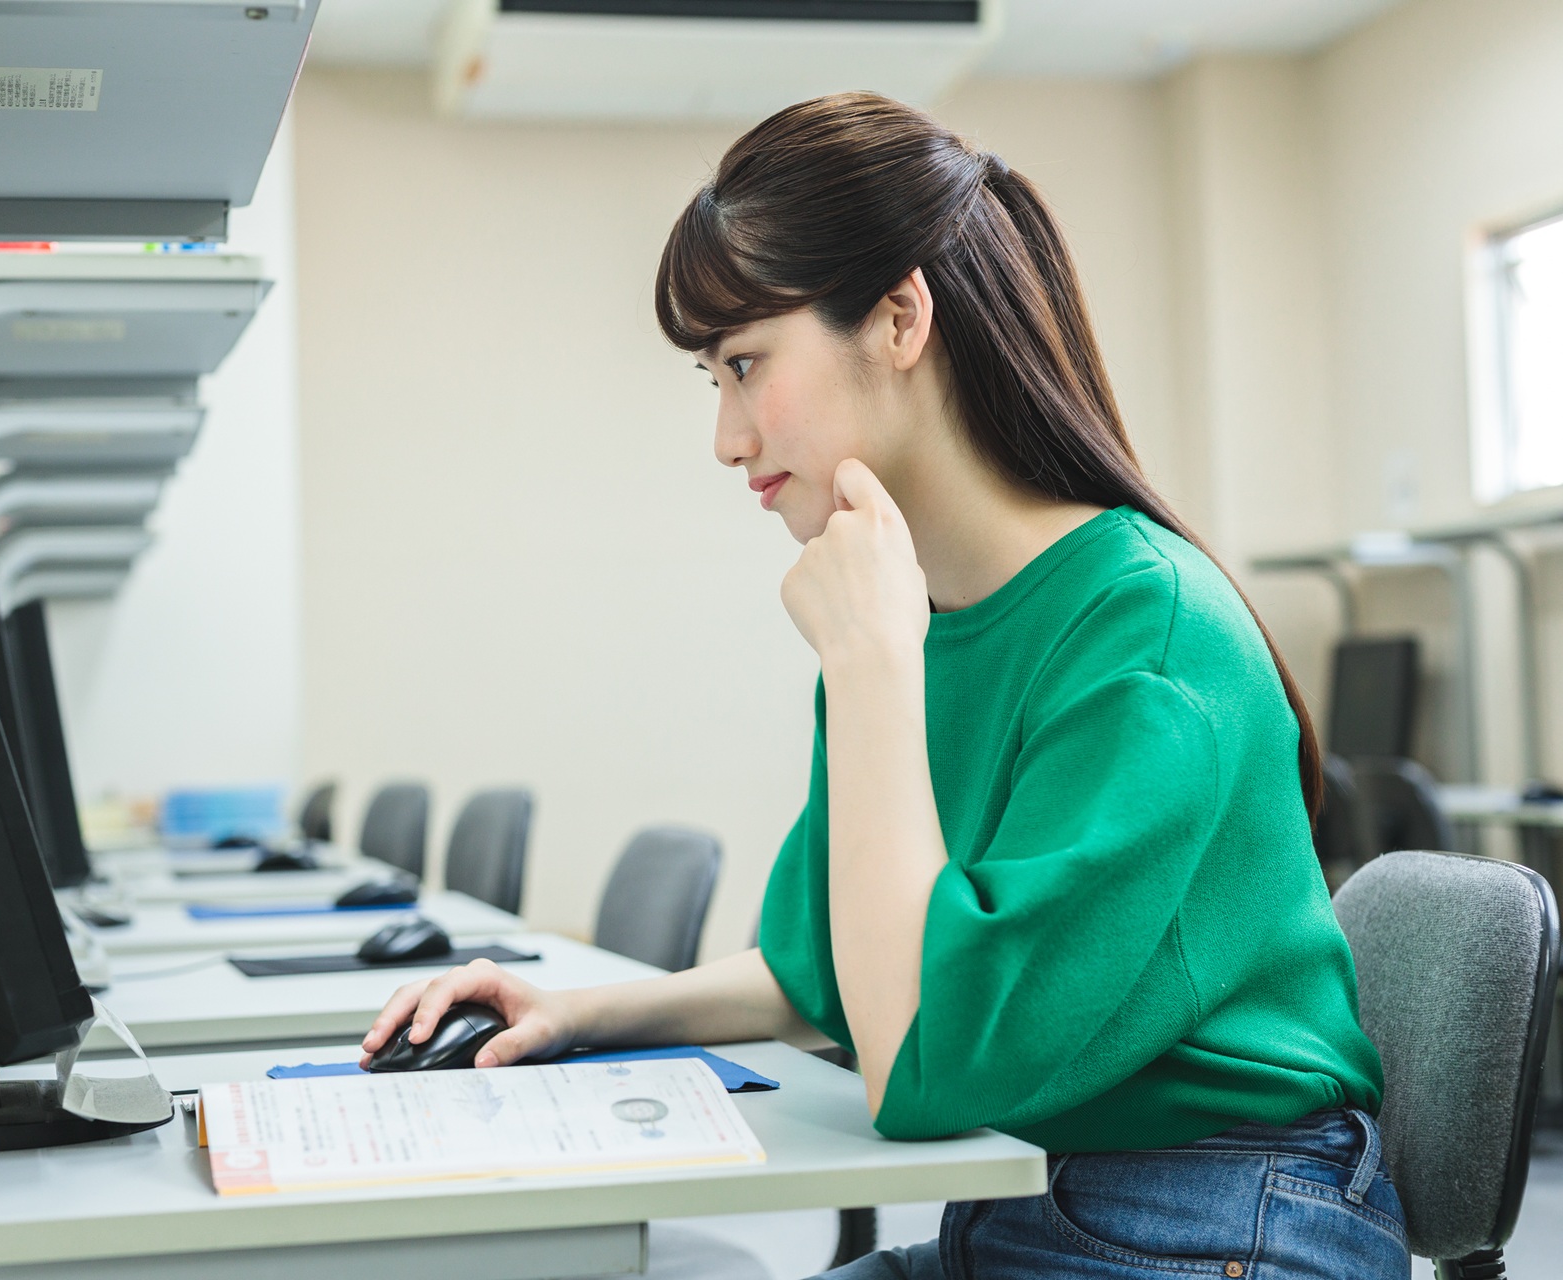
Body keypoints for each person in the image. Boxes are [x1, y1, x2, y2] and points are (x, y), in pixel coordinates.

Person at [360, 92, 1405, 1278]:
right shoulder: (916, 611)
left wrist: (868, 663)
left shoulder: (1144, 633)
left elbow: (921, 1064)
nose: (728, 437)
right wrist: (573, 1011)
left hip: (1224, 1217)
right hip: (1037, 1201)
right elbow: (834, 970)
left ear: (900, 316)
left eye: (748, 362)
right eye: (713, 379)